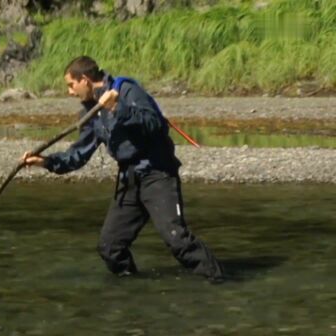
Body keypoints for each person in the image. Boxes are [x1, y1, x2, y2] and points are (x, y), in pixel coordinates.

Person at [22, 56, 225, 282]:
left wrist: (119, 108)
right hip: (129, 180)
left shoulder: (126, 90)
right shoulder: (90, 113)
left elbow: (154, 124)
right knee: (110, 248)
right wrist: (46, 162)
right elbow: (78, 155)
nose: (70, 92)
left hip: (157, 174)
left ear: (86, 80)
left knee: (178, 240)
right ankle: (133, 291)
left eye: (71, 85)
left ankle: (219, 282)